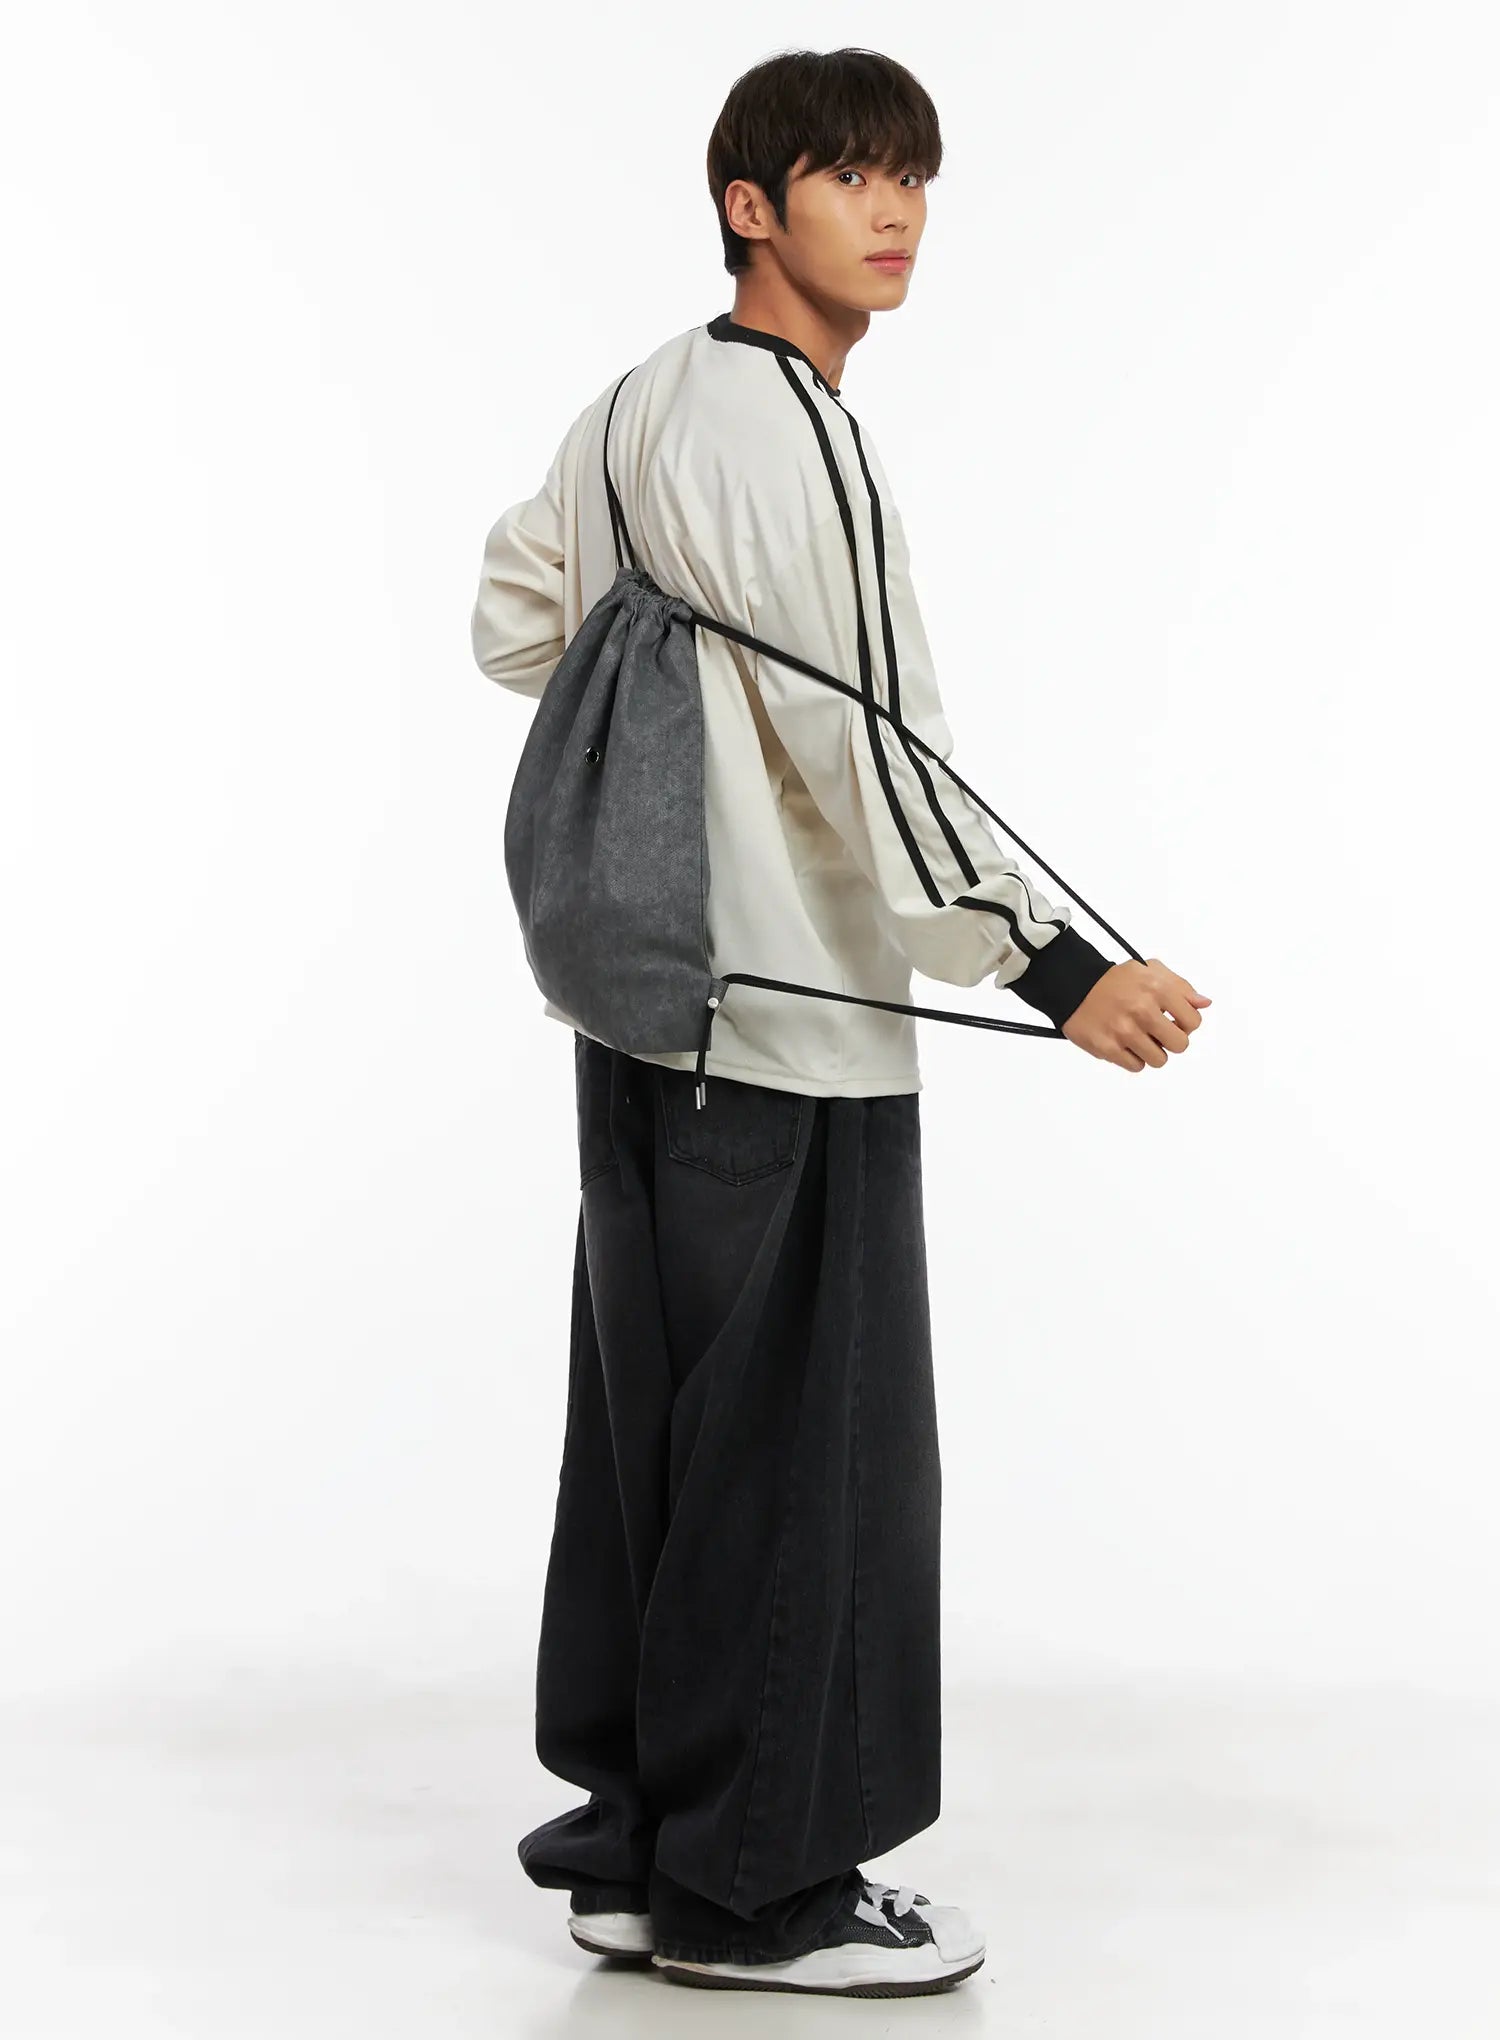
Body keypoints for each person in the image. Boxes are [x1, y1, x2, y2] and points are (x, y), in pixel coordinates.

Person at [469, 45, 1210, 2000]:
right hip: (785, 1014)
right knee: (801, 1454)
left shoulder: (640, 405)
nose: (895, 214)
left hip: (640, 1006)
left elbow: (519, 616)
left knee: (659, 1434)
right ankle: (761, 1895)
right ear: (751, 205)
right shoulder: (791, 429)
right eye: (850, 176)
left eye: (914, 180)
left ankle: (639, 1855)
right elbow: (874, 748)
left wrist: (670, 727)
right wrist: (1063, 969)